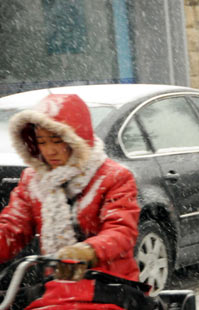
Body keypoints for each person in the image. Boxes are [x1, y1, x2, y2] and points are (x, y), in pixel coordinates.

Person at [0, 94, 144, 309]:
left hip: (109, 285)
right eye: (42, 142)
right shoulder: (33, 180)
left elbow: (121, 231)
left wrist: (88, 251)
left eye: (58, 141)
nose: (49, 150)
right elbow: (12, 228)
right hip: (56, 287)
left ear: (77, 138)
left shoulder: (114, 176)